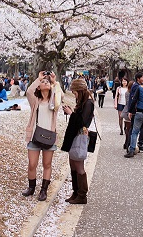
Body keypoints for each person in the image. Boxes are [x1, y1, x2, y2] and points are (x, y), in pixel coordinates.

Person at [23, 71, 62, 201]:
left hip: (49, 136)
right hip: (35, 136)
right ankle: (31, 187)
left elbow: (60, 95)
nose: (45, 83)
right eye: (43, 82)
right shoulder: (36, 101)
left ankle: (44, 190)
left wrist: (54, 81)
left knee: (47, 164)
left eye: (47, 82)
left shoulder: (54, 102)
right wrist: (38, 79)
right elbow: (29, 92)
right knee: (32, 164)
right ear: (39, 87)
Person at [61, 78, 95, 204]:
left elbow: (83, 123)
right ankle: (75, 192)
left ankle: (82, 195)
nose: (74, 95)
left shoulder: (88, 103)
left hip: (80, 137)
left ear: (80, 91)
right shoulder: (83, 102)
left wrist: (71, 114)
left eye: (75, 92)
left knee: (79, 166)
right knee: (73, 165)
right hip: (74, 136)